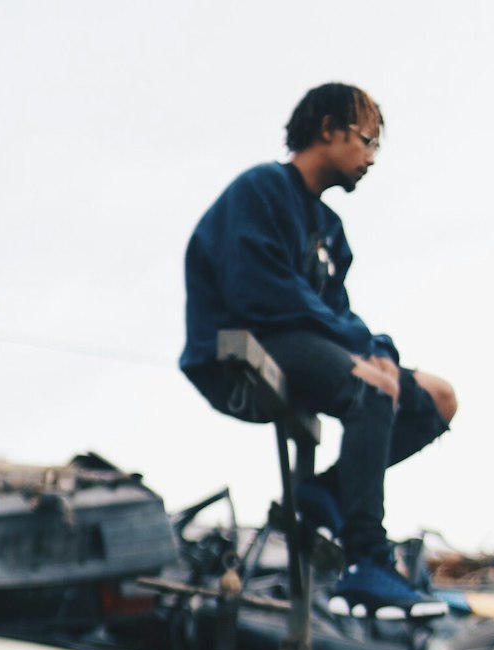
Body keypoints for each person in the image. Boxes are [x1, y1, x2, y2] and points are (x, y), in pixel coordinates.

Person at [180, 82, 457, 615]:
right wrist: (364, 355)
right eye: (366, 139)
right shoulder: (261, 189)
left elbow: (337, 311)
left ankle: (326, 492)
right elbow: (260, 291)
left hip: (304, 341)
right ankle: (367, 562)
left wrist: (379, 349)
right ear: (328, 129)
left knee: (439, 398)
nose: (372, 157)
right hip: (240, 348)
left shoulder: (331, 230)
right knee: (370, 385)